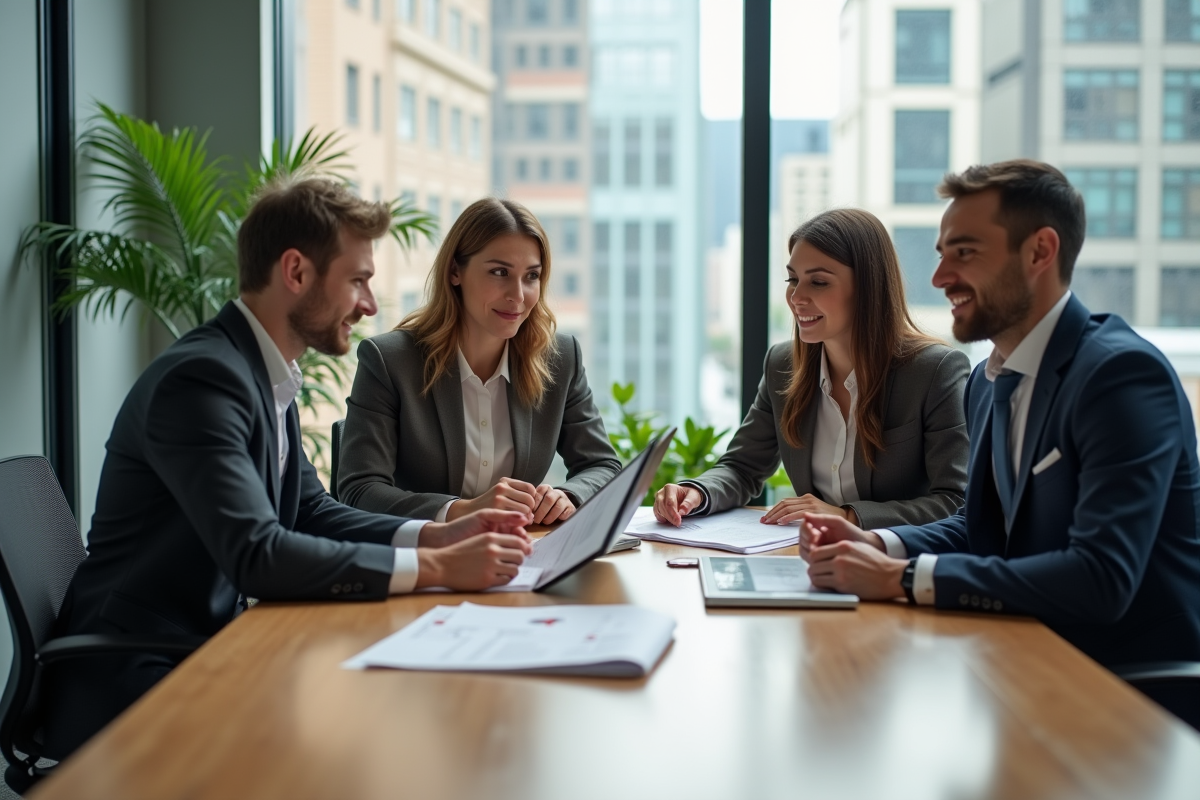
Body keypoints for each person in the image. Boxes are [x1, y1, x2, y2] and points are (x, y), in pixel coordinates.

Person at [43, 177, 533, 759]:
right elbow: (257, 553)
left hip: (205, 644)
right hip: (137, 673)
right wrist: (436, 566)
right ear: (296, 272)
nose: (371, 305)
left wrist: (438, 531)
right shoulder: (201, 382)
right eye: (357, 281)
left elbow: (309, 510)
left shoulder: (263, 374)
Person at [800, 160, 1200, 672]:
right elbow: (980, 526)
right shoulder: (987, 382)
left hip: (1125, 687)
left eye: (964, 253)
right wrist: (878, 542)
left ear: (1040, 251)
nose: (940, 277)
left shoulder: (1120, 376)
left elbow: (1102, 578)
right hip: (1019, 656)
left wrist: (901, 578)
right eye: (942, 254)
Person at [654, 208, 970, 531]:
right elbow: (742, 467)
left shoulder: (934, 372)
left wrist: (847, 516)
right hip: (811, 559)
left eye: (818, 282)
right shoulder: (782, 365)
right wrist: (697, 492)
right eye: (793, 279)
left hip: (897, 566)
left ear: (868, 288)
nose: (796, 297)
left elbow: (956, 501)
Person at [337, 197, 621, 525]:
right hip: (426, 560)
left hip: (522, 555)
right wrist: (462, 511)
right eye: (499, 272)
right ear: (455, 271)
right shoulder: (390, 362)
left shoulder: (560, 358)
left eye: (531, 276)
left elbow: (603, 466)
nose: (518, 294)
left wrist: (569, 496)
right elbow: (359, 490)